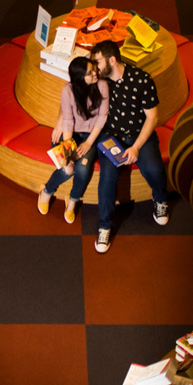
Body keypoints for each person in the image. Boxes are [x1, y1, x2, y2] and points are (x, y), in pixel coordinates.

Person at [89, 39, 171, 253]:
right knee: (107, 177)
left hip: (139, 134)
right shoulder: (100, 82)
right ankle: (104, 226)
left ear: (112, 60)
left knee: (154, 168)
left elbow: (152, 118)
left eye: (97, 62)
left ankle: (160, 199)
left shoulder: (142, 80)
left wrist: (136, 147)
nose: (95, 68)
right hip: (111, 136)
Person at [37, 57, 108, 224]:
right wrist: (68, 151)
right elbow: (68, 122)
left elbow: (102, 117)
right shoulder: (68, 90)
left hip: (90, 136)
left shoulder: (102, 86)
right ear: (79, 77)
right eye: (90, 73)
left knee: (82, 169)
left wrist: (88, 143)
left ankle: (73, 200)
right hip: (71, 134)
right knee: (67, 169)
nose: (95, 73)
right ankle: (46, 191)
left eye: (94, 69)